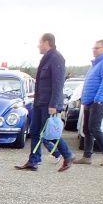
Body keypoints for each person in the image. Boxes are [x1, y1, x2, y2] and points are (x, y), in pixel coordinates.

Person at [16, 33, 75, 171]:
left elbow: (58, 82)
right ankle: (34, 160)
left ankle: (67, 154)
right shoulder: (46, 58)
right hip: (39, 102)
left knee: (49, 132)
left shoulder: (56, 58)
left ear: (47, 42)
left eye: (40, 42)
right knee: (35, 131)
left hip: (48, 103)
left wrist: (54, 104)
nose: (38, 45)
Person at [76, 39, 103, 165]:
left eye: (97, 48)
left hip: (99, 101)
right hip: (90, 101)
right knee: (86, 129)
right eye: (93, 48)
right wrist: (82, 99)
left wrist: (98, 100)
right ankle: (87, 156)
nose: (94, 50)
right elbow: (89, 84)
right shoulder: (95, 65)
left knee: (94, 127)